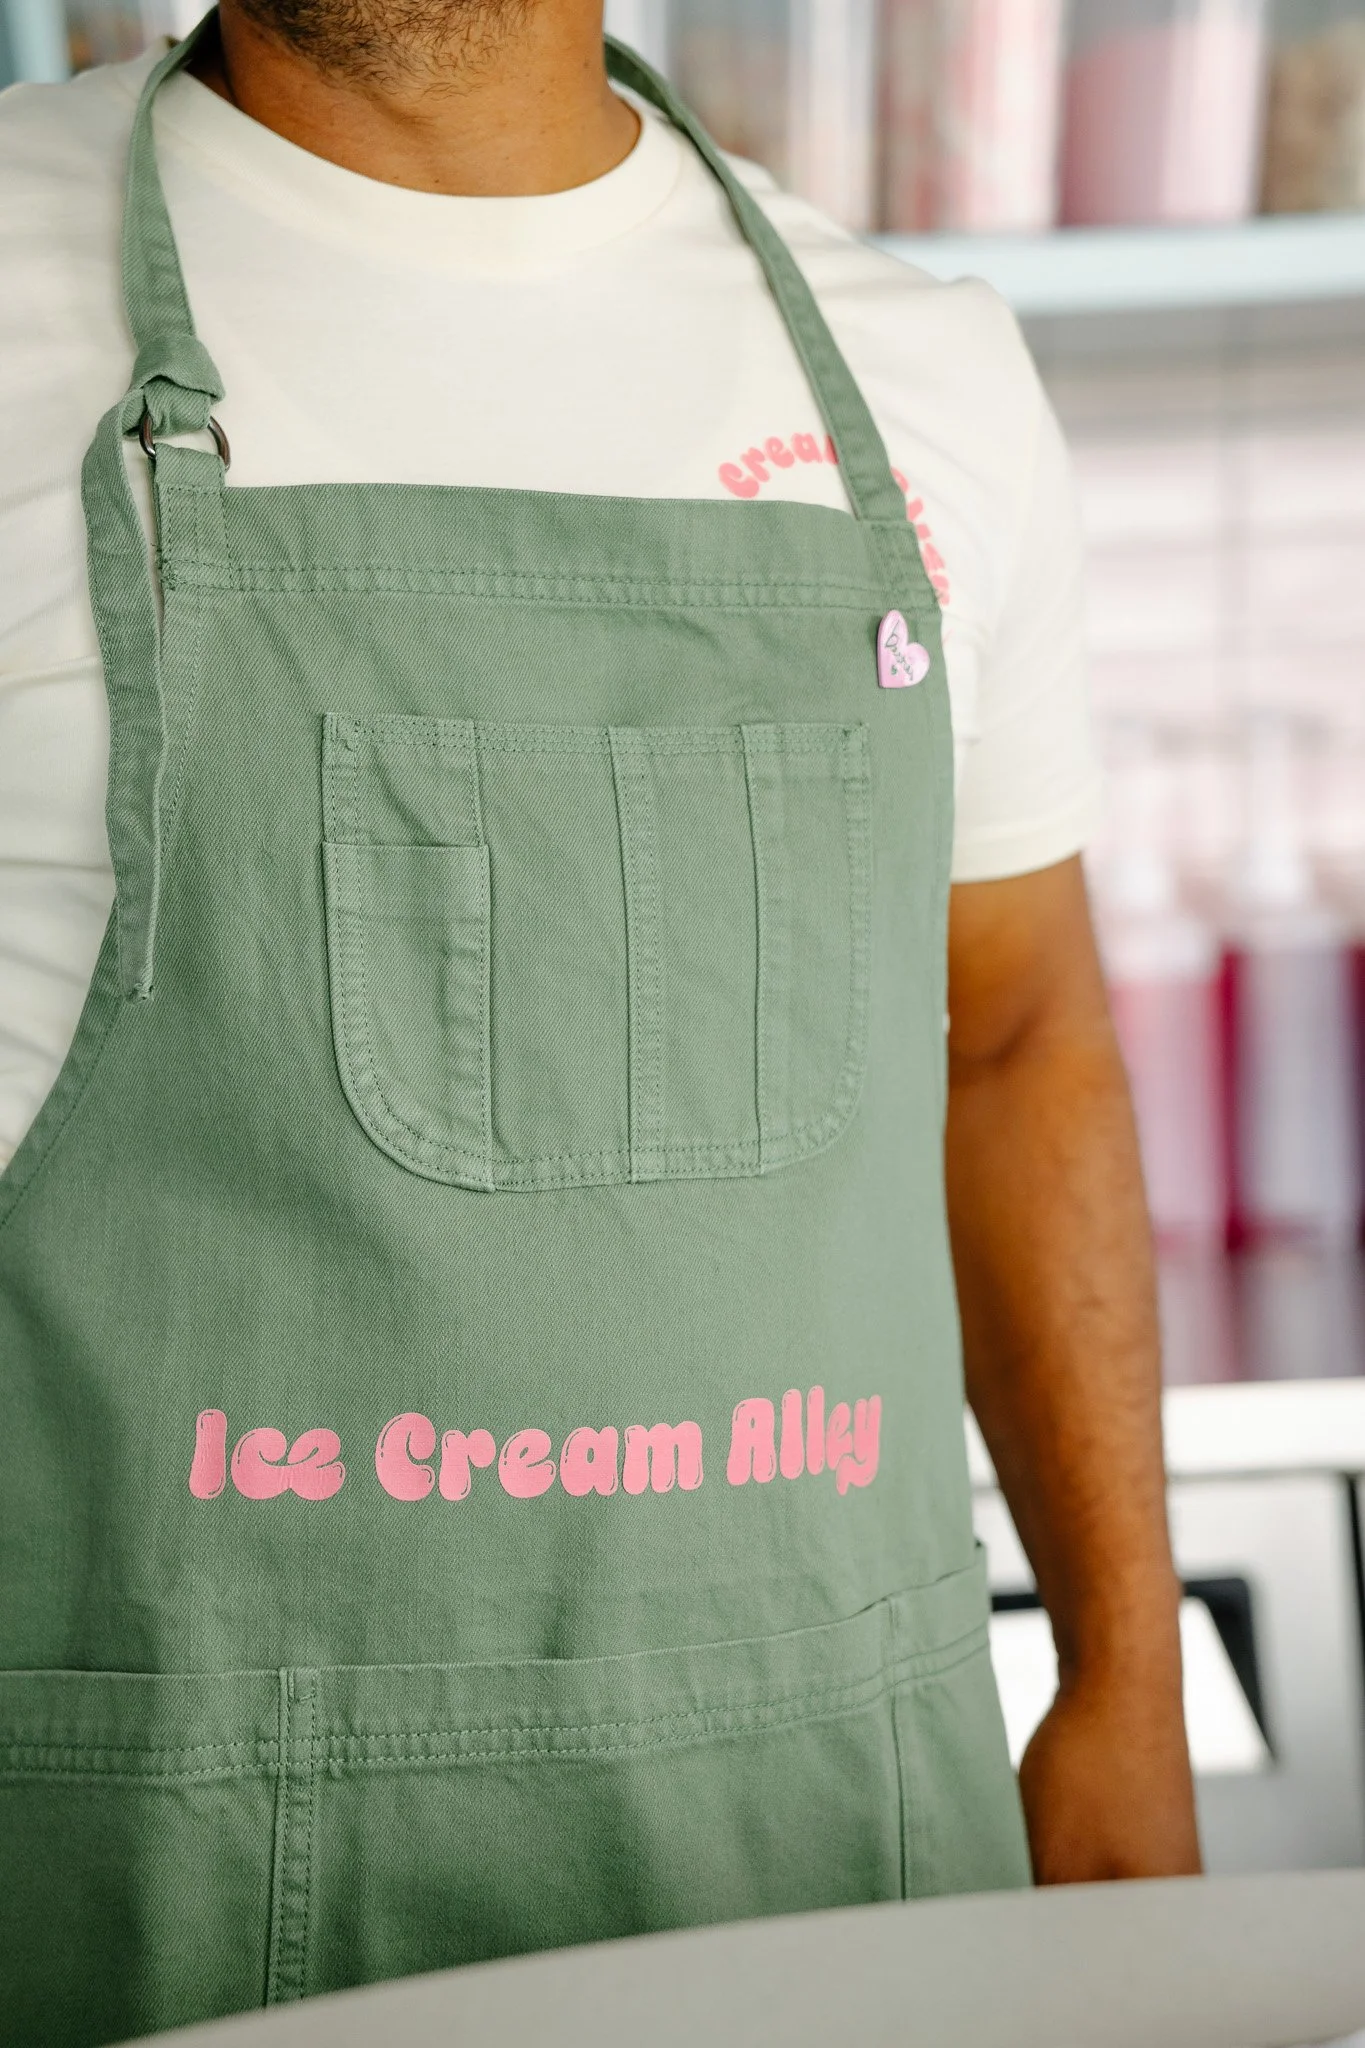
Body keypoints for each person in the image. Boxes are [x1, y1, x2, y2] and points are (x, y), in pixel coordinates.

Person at [0, 3, 1199, 2042]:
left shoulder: (924, 374)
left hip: (839, 1848)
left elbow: (1013, 1033)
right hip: (165, 1872)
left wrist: (1123, 1677)